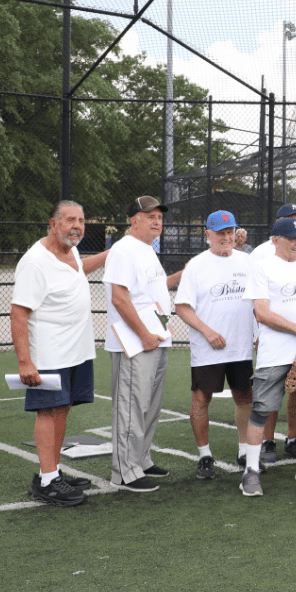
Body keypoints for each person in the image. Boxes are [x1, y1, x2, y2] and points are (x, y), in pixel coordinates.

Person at [10, 200, 108, 506]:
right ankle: (48, 483)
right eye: (70, 220)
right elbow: (18, 313)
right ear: (54, 224)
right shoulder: (35, 262)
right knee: (49, 411)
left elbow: (79, 270)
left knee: (62, 408)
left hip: (75, 350)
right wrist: (25, 362)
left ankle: (49, 472)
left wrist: (111, 254)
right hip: (49, 354)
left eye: (81, 220)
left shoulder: (71, 251)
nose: (77, 226)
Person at [241, 216, 296, 497]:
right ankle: (250, 471)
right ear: (275, 240)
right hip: (276, 353)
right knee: (261, 410)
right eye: (291, 238)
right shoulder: (263, 267)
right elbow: (262, 313)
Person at [173, 210, 254, 480]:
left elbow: (258, 301)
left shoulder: (247, 262)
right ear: (208, 234)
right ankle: (205, 455)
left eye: (230, 232)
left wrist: (257, 333)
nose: (226, 237)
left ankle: (244, 450)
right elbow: (182, 306)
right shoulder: (197, 265)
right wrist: (207, 331)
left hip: (241, 347)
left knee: (245, 397)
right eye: (220, 233)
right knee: (201, 399)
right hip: (209, 348)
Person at [102, 196, 175, 493]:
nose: (157, 221)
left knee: (149, 406)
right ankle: (124, 471)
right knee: (131, 406)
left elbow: (151, 294)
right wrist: (144, 334)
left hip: (155, 338)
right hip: (134, 342)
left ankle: (141, 459)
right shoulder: (124, 249)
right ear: (134, 220)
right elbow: (120, 298)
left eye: (159, 217)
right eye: (150, 216)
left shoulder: (147, 249)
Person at [251, 203, 296, 464]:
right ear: (277, 230)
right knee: (269, 400)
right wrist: (256, 334)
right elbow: (257, 305)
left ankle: (294, 440)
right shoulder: (260, 256)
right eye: (292, 223)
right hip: (275, 341)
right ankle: (267, 441)